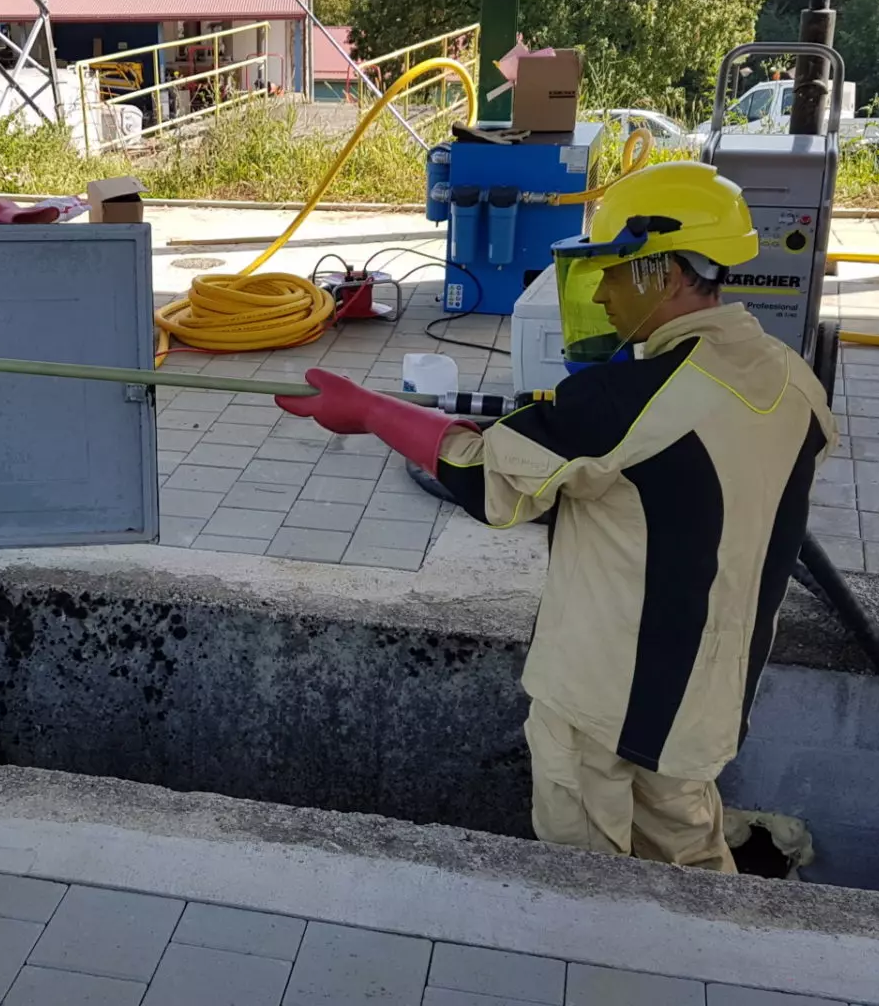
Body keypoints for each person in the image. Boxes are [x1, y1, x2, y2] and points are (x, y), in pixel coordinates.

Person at [277, 161, 837, 872]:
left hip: (602, 702)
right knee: (692, 864)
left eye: (611, 271)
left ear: (663, 272)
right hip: (708, 697)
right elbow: (677, 487)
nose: (600, 293)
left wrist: (369, 412)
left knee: (589, 880)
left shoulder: (626, 398)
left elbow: (485, 479)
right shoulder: (795, 383)